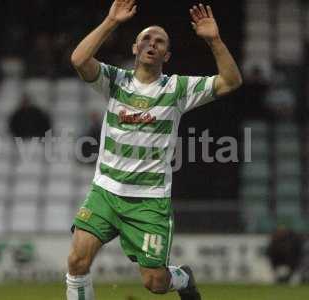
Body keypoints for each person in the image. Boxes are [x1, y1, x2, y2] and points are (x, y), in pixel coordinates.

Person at [66, 1, 242, 300]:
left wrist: (214, 40)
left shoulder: (177, 89)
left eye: (159, 41)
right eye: (146, 39)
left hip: (148, 202)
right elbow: (79, 60)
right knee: (76, 261)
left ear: (166, 55)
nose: (152, 43)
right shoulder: (115, 80)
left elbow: (231, 81)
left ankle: (182, 278)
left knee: (155, 283)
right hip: (105, 191)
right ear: (135, 48)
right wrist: (111, 21)